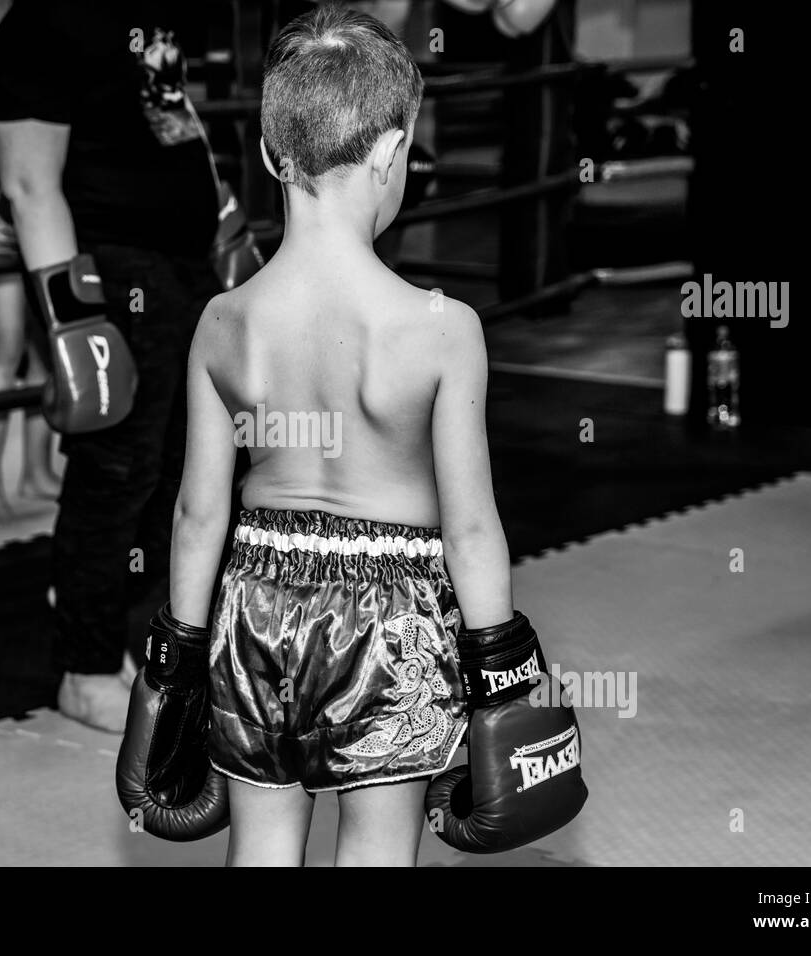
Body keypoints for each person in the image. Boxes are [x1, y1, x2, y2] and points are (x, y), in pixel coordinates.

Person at [157, 7, 514, 865]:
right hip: (388, 621)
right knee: (377, 857)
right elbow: (469, 528)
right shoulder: (441, 328)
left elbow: (197, 516)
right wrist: (504, 669)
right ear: (393, 153)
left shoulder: (224, 320)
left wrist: (174, 655)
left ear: (275, 155)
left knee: (263, 853)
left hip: (253, 605)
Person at [0, 0, 222, 731]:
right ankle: (83, 671)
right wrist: (75, 320)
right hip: (111, 271)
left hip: (184, 265)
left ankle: (113, 621)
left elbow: (171, 119)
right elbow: (27, 183)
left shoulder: (153, 8)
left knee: (189, 466)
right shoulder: (43, 24)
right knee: (116, 472)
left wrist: (225, 216)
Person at [0, 186, 60, 526]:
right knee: (5, 345)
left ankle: (37, 470)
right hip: (8, 216)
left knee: (50, 349)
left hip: (52, 217)